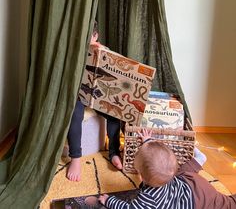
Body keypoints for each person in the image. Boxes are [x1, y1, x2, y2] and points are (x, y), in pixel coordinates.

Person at [99, 129, 236, 209]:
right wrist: (147, 141)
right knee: (182, 172)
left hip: (197, 203)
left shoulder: (147, 199)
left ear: (141, 174)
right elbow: (155, 156)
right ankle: (197, 161)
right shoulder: (168, 173)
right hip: (193, 183)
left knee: (226, 205)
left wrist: (109, 201)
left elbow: (128, 208)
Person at [67, 22, 124, 181]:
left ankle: (113, 152)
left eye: (89, 37)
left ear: (95, 36)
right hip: (79, 95)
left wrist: (103, 52)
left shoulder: (104, 51)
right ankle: (75, 158)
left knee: (114, 113)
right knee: (75, 113)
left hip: (98, 95)